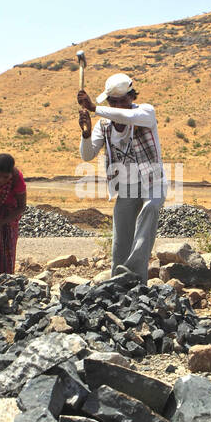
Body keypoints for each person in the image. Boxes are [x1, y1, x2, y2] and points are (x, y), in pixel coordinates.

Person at [76, 72, 165, 281]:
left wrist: (95, 109)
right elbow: (87, 155)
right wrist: (86, 134)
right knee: (120, 240)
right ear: (109, 101)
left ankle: (133, 273)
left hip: (152, 180)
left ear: (132, 97)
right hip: (126, 185)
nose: (117, 107)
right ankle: (118, 283)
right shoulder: (104, 125)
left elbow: (129, 117)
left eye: (122, 101)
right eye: (113, 102)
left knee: (151, 208)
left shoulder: (145, 113)